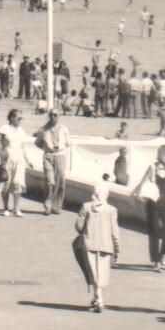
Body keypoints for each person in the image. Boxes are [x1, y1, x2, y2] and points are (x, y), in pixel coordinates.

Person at [74, 182, 121, 312]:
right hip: (106, 246)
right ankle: (98, 299)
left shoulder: (86, 207)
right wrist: (117, 247)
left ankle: (98, 299)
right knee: (101, 273)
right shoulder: (112, 210)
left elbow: (78, 226)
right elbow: (114, 231)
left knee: (92, 272)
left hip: (89, 244)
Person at [140, 146, 165, 271]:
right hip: (153, 202)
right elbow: (142, 183)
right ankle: (156, 261)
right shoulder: (152, 167)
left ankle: (162, 257)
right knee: (154, 230)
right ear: (161, 155)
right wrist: (138, 195)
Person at [0, 109, 31, 217]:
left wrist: (28, 160)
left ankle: (16, 208)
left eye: (21, 118)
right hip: (7, 159)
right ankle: (5, 208)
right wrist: (1, 156)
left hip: (19, 159)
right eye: (18, 118)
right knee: (6, 183)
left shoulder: (21, 130)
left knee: (18, 183)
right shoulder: (4, 128)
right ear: (11, 118)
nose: (20, 120)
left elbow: (23, 147)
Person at [36, 110, 72, 216]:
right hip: (48, 156)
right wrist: (47, 149)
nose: (53, 116)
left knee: (60, 182)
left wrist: (59, 148)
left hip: (60, 156)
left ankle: (56, 206)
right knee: (49, 181)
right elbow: (38, 143)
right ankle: (47, 206)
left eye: (55, 115)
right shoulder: (43, 129)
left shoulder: (64, 129)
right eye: (51, 115)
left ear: (59, 116)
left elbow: (68, 143)